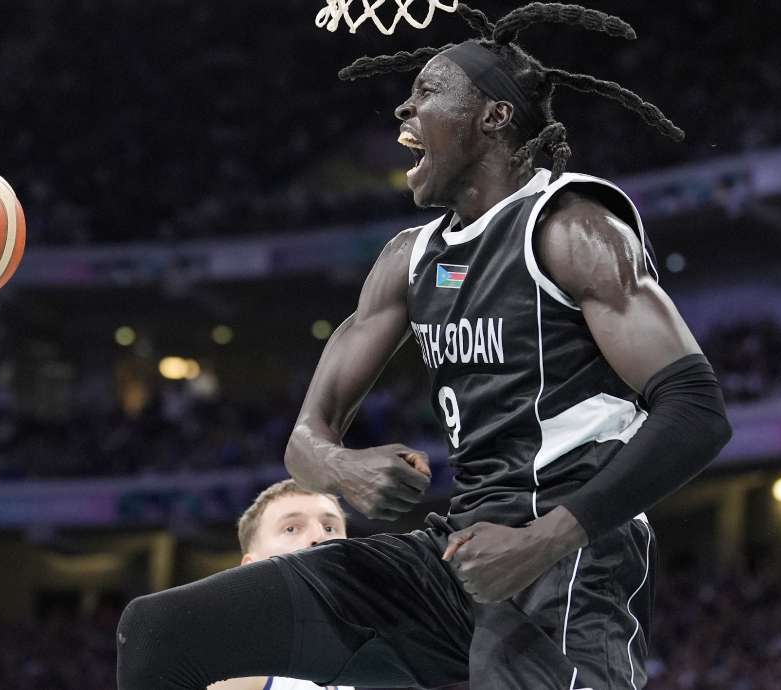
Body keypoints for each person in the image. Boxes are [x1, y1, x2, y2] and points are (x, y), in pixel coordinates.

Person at [117, 4, 732, 689]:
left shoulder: (570, 228)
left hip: (570, 559)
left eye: (430, 92)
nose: (403, 109)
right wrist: (338, 468)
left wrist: (543, 541)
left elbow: (697, 409)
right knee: (163, 629)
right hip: (455, 554)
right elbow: (305, 437)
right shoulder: (409, 260)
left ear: (494, 117)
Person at [209, 479, 353, 690]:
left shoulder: (347, 656)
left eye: (330, 527)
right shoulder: (236, 659)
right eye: (292, 528)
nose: (319, 536)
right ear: (252, 567)